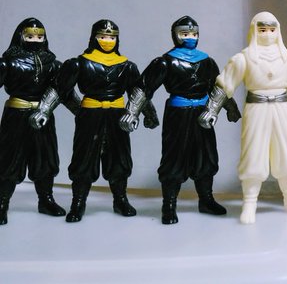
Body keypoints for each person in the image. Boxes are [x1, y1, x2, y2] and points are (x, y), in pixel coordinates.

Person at [32, 19, 158, 222]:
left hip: (118, 116)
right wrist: (43, 110)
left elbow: (139, 92)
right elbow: (59, 88)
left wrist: (150, 115)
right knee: (84, 159)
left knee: (119, 159)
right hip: (90, 115)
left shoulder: (126, 66)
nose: (107, 41)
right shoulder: (79, 63)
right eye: (103, 36)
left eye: (112, 37)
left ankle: (121, 199)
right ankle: (78, 203)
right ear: (94, 38)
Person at [200, 11, 287, 224]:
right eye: (262, 30)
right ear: (254, 31)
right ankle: (250, 202)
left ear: (278, 31)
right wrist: (212, 109)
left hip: (281, 109)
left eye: (272, 30)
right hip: (256, 110)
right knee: (253, 154)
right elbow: (225, 84)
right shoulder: (244, 58)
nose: (267, 34)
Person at [120, 16, 240, 224]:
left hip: (203, 114)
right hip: (178, 114)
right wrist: (132, 111)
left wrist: (231, 109)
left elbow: (219, 87)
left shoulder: (207, 61)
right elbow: (144, 87)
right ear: (175, 36)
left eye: (194, 34)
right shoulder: (165, 62)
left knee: (206, 156)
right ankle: (169, 205)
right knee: (174, 157)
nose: (190, 37)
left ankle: (206, 199)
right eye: (185, 33)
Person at [0, 18, 77, 225]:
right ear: (21, 37)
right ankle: (2, 203)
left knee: (46, 159)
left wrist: (81, 113)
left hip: (43, 115)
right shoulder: (9, 62)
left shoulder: (53, 64)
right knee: (10, 160)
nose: (35, 40)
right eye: (30, 36)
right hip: (16, 115)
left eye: (40, 36)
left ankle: (46, 200)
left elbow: (65, 92)